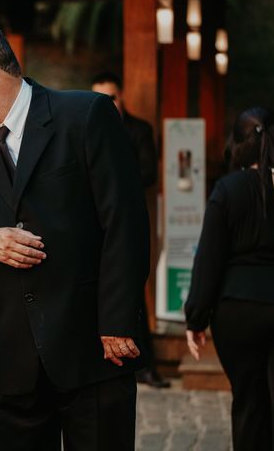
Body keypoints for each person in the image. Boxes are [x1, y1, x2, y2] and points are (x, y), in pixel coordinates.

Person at [0, 24, 150, 450]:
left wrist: (118, 322)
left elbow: (125, 223)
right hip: (13, 360)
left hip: (94, 347)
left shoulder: (87, 116)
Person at [184, 106, 274, 451]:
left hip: (237, 310)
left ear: (239, 145)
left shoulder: (228, 189)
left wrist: (195, 317)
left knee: (248, 402)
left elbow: (209, 259)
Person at [91, 72, 169, 389]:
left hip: (133, 219)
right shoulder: (88, 127)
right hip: (95, 222)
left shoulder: (139, 130)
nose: (108, 103)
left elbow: (149, 172)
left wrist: (112, 183)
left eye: (112, 97)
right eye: (101, 97)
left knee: (133, 286)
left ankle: (143, 364)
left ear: (121, 97)